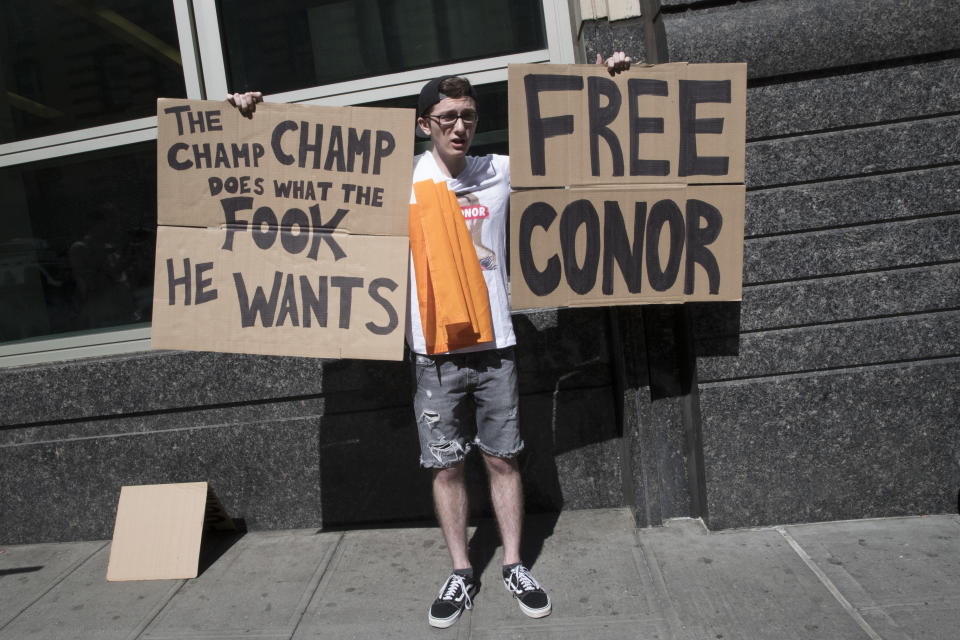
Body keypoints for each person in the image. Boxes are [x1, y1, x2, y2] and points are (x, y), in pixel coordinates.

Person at [227, 51, 631, 629]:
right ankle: (463, 571)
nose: (460, 126)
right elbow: (308, 182)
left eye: (467, 114)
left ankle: (514, 563)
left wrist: (612, 84)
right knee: (445, 467)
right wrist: (252, 122)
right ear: (424, 125)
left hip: (496, 350)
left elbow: (579, 151)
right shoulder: (402, 180)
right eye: (446, 117)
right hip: (433, 356)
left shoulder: (499, 171)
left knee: (504, 461)